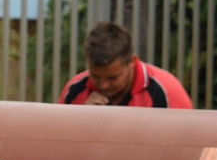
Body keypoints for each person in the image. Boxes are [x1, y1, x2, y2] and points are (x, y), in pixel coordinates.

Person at [59, 22, 192, 109]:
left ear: (132, 61)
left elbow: (188, 143)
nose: (104, 85)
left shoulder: (167, 91)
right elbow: (56, 142)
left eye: (113, 78)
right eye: (95, 76)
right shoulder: (74, 90)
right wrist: (80, 119)